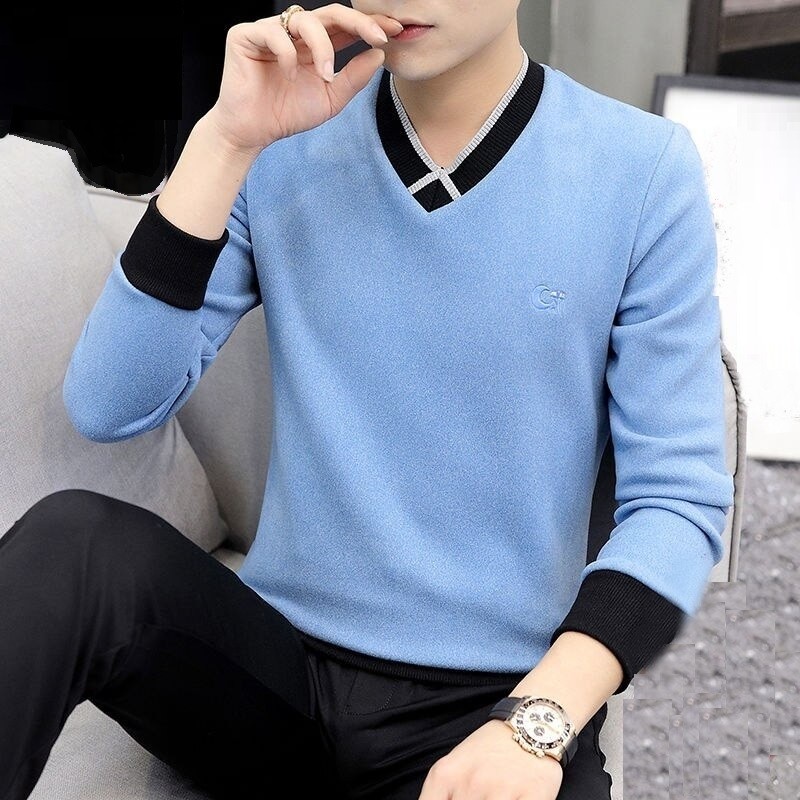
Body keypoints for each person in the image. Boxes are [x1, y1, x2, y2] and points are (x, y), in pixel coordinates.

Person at [0, 3, 735, 799]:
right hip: (274, 677)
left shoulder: (642, 169)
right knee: (75, 542)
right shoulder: (280, 145)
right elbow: (109, 403)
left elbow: (677, 503)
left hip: (490, 704)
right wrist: (223, 142)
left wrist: (537, 721)